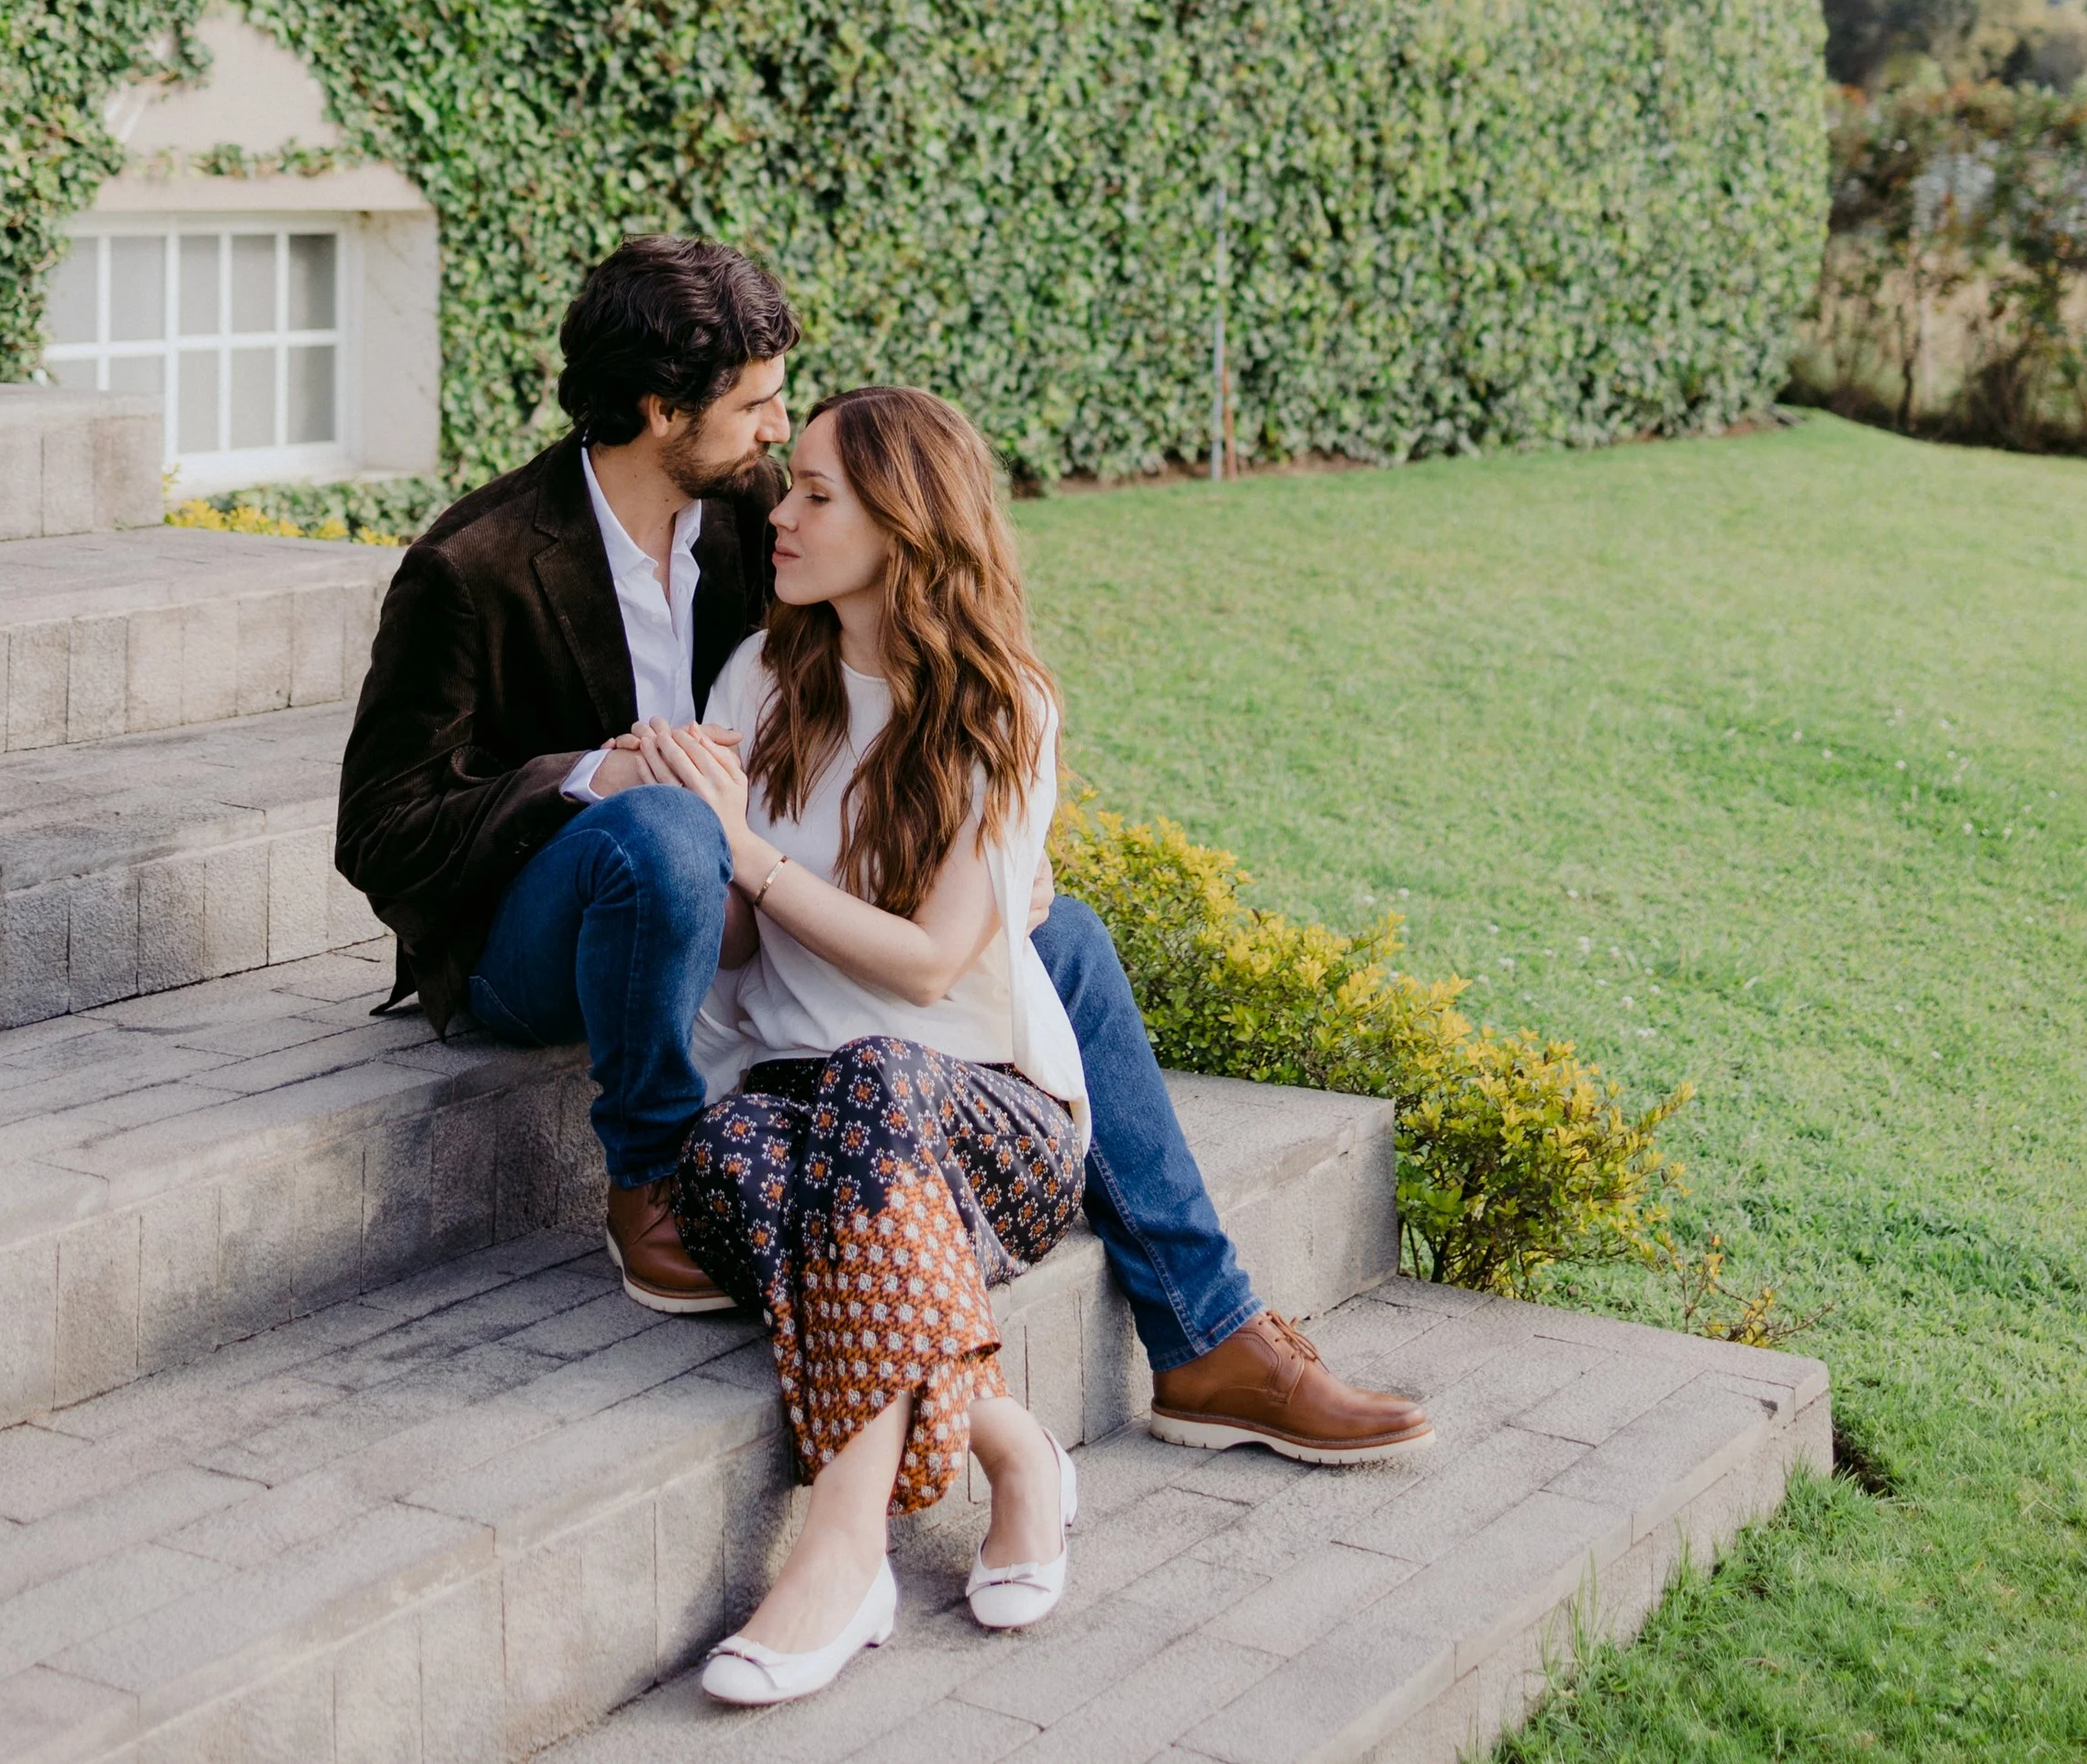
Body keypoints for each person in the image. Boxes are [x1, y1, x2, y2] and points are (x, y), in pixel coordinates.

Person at [335, 235, 1429, 1468]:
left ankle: (1207, 1334)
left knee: (1052, 937)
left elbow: (892, 679)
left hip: (738, 902)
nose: (776, 430)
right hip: (541, 929)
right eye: (754, 403)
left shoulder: (757, 520)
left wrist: (998, 846)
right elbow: (380, 829)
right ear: (658, 408)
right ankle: (644, 1176)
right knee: (664, 828)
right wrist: (596, 774)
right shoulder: (469, 567)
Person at [644, 386, 1084, 1700]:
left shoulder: (1004, 707)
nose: (779, 511)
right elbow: (732, 954)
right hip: (792, 1115)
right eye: (792, 485)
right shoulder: (762, 677)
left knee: (871, 1069)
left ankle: (842, 1546)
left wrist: (753, 858)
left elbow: (932, 962)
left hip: (984, 1119)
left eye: (818, 491)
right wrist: (692, 837)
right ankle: (1013, 1449)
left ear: (905, 520)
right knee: (725, 1151)